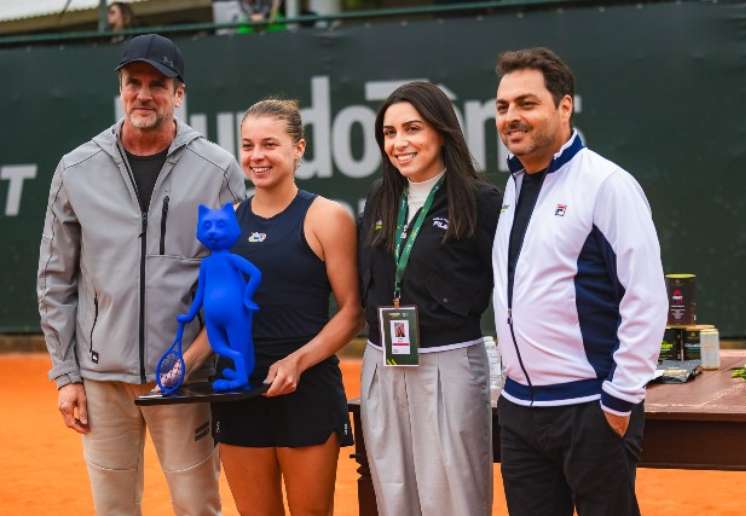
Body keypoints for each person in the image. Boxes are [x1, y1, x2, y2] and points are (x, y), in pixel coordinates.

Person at [36, 34, 245, 515]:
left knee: (197, 506)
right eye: (134, 83)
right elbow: (55, 279)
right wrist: (66, 376)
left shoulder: (218, 170)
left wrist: (197, 361)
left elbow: (234, 278)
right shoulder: (76, 169)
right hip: (100, 379)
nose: (144, 94)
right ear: (121, 88)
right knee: (113, 509)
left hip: (185, 380)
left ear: (179, 93)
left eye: (158, 83)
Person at [491, 47, 668, 516]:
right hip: (518, 410)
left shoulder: (607, 184)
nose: (512, 116)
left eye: (527, 103)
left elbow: (646, 296)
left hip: (590, 408)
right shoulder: (511, 187)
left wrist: (620, 398)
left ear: (564, 106)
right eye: (503, 106)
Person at [184, 98, 361, 515]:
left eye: (270, 144)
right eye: (247, 146)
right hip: (239, 393)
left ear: (298, 149)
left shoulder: (327, 217)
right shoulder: (226, 223)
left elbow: (353, 311)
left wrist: (297, 362)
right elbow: (221, 321)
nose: (256, 156)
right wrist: (184, 363)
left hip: (308, 393)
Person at [358, 81, 502, 516]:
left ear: (441, 131)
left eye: (412, 129)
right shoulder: (380, 199)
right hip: (382, 361)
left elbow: (513, 287)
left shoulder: (480, 200)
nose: (399, 143)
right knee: (395, 494)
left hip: (450, 361)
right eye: (389, 133)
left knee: (454, 497)